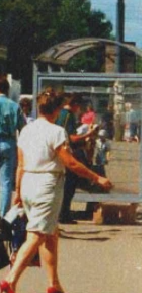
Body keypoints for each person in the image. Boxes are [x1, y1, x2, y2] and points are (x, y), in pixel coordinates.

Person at [1, 89, 112, 293]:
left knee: (50, 233)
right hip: (47, 184)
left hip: (28, 183)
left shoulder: (26, 131)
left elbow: (21, 164)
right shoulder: (57, 132)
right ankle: (10, 279)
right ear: (57, 110)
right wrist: (96, 178)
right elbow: (70, 162)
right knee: (36, 235)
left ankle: (54, 284)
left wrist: (18, 190)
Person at [56, 95, 96, 224]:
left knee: (68, 184)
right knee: (69, 184)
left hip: (62, 152)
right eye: (79, 106)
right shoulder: (67, 115)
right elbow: (70, 137)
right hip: (65, 154)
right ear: (75, 104)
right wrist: (88, 134)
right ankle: (63, 213)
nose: (80, 109)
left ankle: (63, 212)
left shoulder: (64, 114)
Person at [0, 79, 25, 216]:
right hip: (8, 143)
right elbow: (23, 128)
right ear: (7, 90)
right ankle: (2, 216)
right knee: (6, 182)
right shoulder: (14, 106)